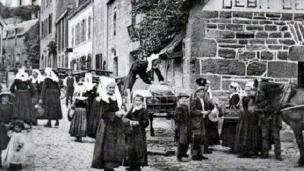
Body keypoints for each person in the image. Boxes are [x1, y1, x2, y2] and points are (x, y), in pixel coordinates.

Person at [92, 82, 130, 171]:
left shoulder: (115, 98)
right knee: (107, 146)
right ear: (106, 88)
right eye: (110, 88)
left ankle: (111, 165)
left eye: (113, 88)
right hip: (106, 126)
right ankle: (107, 166)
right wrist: (115, 114)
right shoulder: (103, 99)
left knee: (114, 145)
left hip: (114, 125)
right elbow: (102, 114)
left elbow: (116, 109)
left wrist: (121, 112)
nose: (112, 89)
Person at [234, 80, 261, 158]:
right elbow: (243, 108)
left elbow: (254, 107)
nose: (248, 91)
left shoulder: (254, 98)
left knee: (252, 135)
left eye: (249, 90)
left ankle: (252, 151)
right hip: (245, 119)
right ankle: (244, 151)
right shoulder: (245, 98)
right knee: (244, 134)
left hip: (252, 119)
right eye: (246, 90)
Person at [190, 81, 215, 160]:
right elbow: (192, 111)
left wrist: (208, 111)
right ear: (197, 93)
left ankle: (200, 154)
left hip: (203, 121)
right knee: (196, 138)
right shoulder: (194, 100)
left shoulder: (203, 101)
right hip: (196, 121)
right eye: (200, 92)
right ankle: (194, 155)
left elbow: (206, 108)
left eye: (203, 92)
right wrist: (201, 112)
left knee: (202, 138)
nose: (202, 93)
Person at [124, 94, 149, 171]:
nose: (137, 102)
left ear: (142, 102)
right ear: (134, 101)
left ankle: (138, 166)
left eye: (139, 101)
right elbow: (126, 117)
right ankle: (132, 165)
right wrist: (130, 122)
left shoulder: (144, 110)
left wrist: (139, 122)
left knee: (139, 148)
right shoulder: (132, 109)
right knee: (130, 148)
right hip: (131, 131)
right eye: (136, 100)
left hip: (139, 132)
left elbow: (146, 122)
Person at [175, 92, 191, 162]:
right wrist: (182, 124)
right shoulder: (179, 108)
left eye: (185, 98)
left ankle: (184, 153)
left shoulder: (186, 107)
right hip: (181, 126)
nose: (184, 100)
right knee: (182, 140)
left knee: (186, 140)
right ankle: (180, 155)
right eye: (182, 98)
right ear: (179, 100)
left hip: (187, 125)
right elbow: (178, 119)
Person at [0, 92, 15, 168]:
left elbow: (14, 115)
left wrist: (10, 123)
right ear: (1, 98)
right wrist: (3, 124)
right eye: (4, 97)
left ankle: (12, 162)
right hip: (1, 126)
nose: (6, 99)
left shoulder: (11, 106)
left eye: (7, 97)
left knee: (8, 144)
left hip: (9, 126)